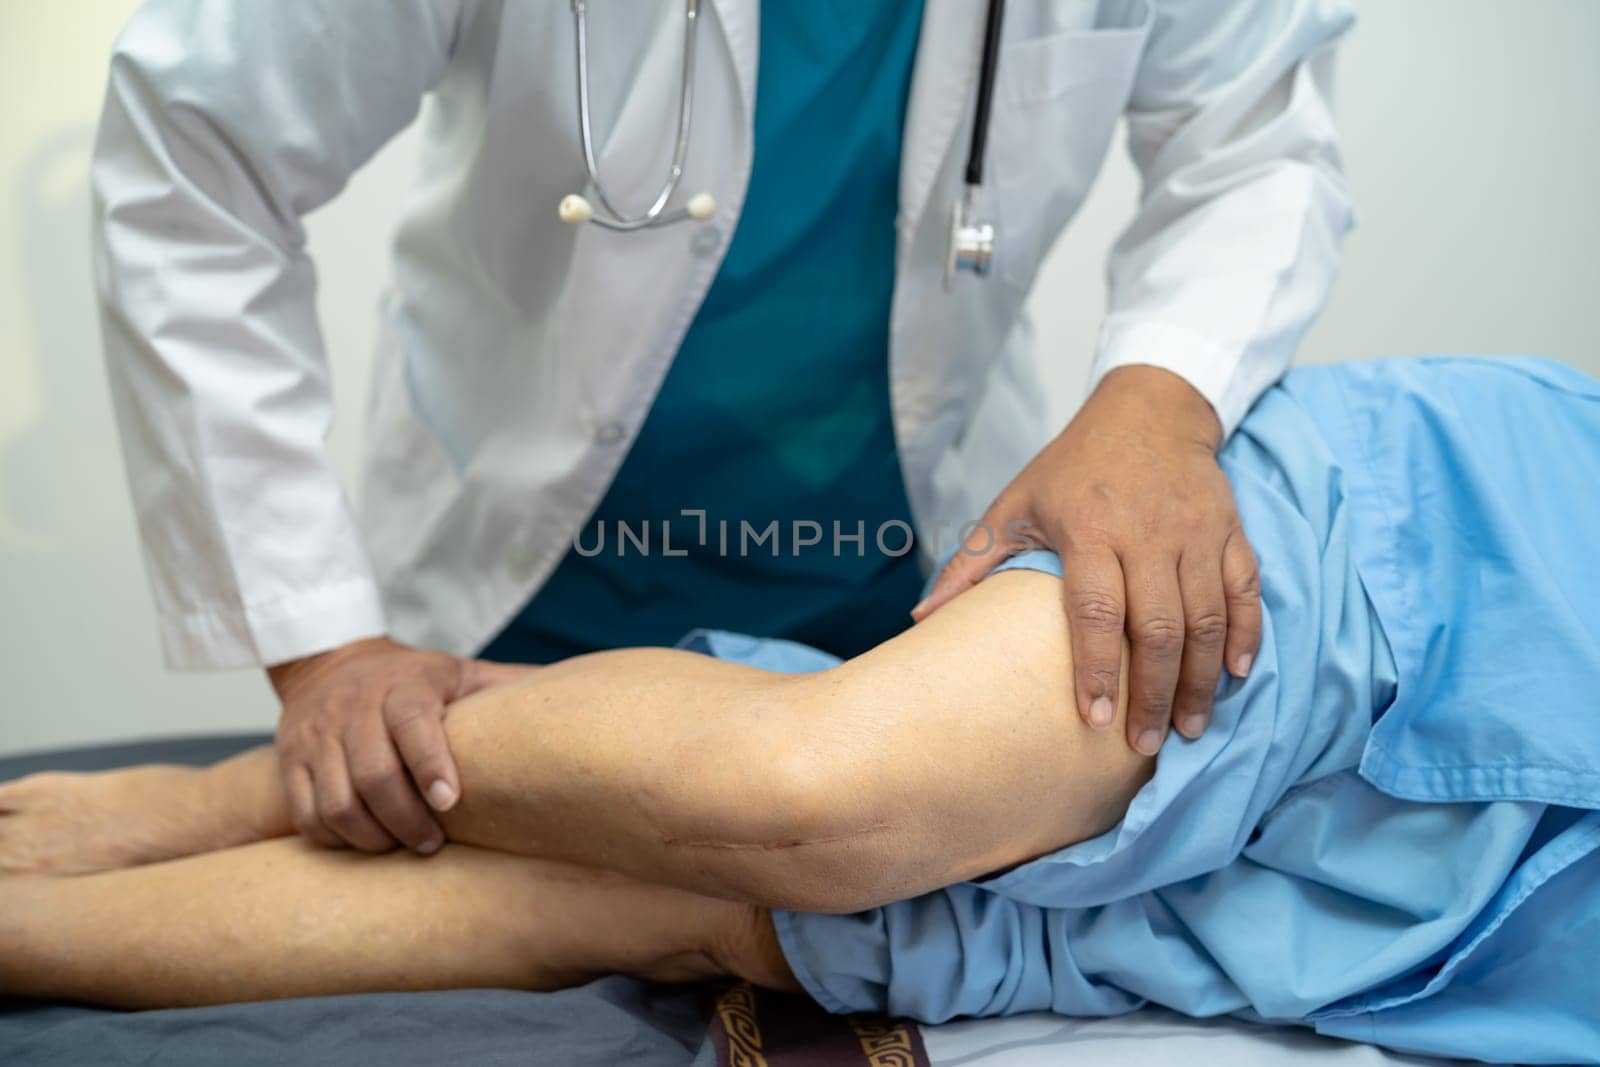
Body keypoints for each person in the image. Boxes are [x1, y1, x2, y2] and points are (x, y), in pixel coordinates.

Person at [5, 356, 1599, 1064]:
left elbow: (1248, 127)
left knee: (700, 896)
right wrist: (1157, 402)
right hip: (1458, 569)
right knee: (823, 803)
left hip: (1462, 945)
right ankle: (244, 791)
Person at [90, 1, 1356, 853]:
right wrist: (320, 651)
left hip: (913, 626)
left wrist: (1156, 398)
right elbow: (193, 160)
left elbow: (1255, 140)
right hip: (497, 644)